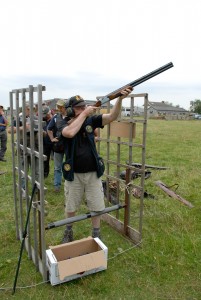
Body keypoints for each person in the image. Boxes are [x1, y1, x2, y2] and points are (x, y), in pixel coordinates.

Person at [61, 87, 133, 243]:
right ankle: (68, 231)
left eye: (84, 106)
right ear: (70, 110)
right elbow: (70, 133)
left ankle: (96, 233)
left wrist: (119, 99)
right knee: (71, 206)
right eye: (78, 108)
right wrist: (85, 113)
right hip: (74, 173)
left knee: (97, 205)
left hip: (93, 172)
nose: (83, 109)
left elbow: (112, 116)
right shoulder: (63, 123)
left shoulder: (90, 121)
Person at [47, 99, 69, 192]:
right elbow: (49, 129)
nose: (59, 108)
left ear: (65, 107)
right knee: (57, 167)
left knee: (69, 165)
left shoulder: (71, 117)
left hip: (69, 145)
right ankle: (57, 186)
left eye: (61, 107)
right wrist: (52, 139)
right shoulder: (55, 117)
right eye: (58, 107)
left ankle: (69, 184)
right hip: (58, 146)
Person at [41, 105, 53, 178]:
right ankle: (45, 173)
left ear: (49, 113)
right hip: (45, 143)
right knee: (45, 159)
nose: (44, 116)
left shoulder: (54, 120)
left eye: (46, 115)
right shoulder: (43, 120)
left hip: (54, 143)